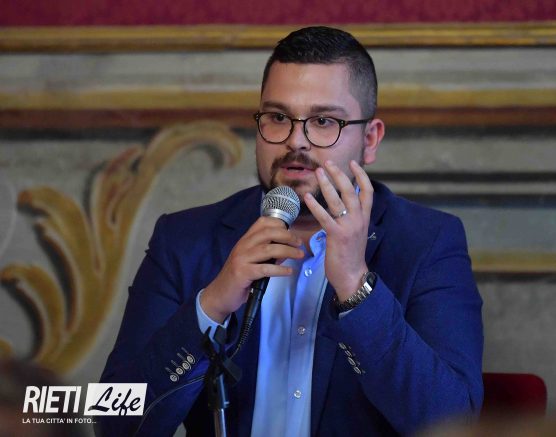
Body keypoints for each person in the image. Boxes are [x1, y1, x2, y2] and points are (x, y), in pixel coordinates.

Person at [98, 26, 483, 436]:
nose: (295, 141)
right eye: (278, 117)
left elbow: (452, 424)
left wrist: (356, 287)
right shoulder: (184, 239)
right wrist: (209, 307)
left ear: (369, 139)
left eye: (324, 121)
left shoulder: (427, 243)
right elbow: (110, 423)